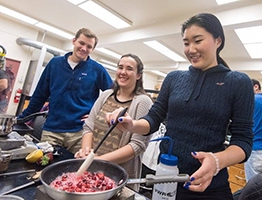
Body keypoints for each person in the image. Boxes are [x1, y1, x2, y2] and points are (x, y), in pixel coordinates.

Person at [106, 13, 254, 199]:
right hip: (165, 179)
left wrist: (216, 161)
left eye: (197, 40)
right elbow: (153, 118)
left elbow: (243, 141)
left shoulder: (238, 82)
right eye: (186, 43)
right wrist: (132, 124)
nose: (191, 49)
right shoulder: (174, 79)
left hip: (208, 185)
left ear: (218, 40)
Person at [18, 28, 113, 154]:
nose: (84, 48)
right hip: (52, 131)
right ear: (74, 41)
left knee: (78, 170)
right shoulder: (54, 64)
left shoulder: (97, 70)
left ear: (92, 49)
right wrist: (21, 119)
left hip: (81, 133)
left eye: (89, 46)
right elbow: (40, 95)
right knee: (44, 166)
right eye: (81, 43)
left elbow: (114, 96)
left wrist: (97, 115)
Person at [74, 53, 153, 191]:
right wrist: (86, 153)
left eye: (129, 69)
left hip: (120, 177)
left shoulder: (143, 102)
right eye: (120, 67)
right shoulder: (106, 95)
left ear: (139, 75)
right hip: (92, 170)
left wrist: (99, 160)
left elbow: (137, 145)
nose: (123, 72)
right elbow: (88, 127)